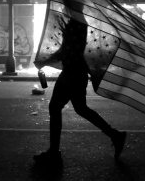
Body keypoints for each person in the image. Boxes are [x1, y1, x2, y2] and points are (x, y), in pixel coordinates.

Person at [34, 16, 127, 166]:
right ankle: (114, 135)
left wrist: (44, 61)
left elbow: (67, 50)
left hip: (72, 74)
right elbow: (69, 50)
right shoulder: (76, 20)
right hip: (76, 73)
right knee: (80, 108)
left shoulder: (76, 22)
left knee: (56, 107)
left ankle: (54, 153)